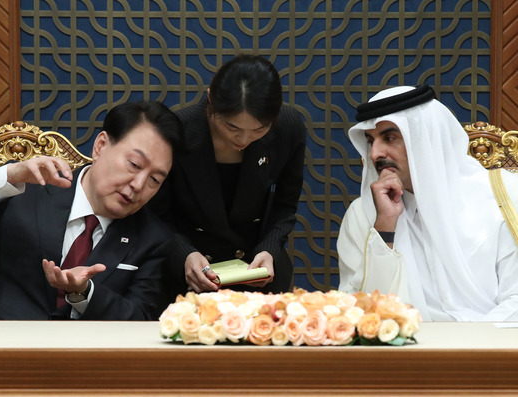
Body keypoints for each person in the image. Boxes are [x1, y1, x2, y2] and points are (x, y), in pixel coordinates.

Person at [0, 100, 184, 320]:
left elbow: (140, 319)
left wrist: (85, 293)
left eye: (154, 179)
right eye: (134, 165)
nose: (138, 185)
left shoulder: (153, 238)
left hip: (85, 355)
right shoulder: (24, 188)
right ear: (101, 146)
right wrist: (9, 176)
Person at [337, 84, 518, 321]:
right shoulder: (362, 214)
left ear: (425, 138)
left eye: (390, 137)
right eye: (371, 141)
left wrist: (463, 351)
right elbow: (358, 311)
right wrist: (384, 229)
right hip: (404, 354)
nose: (375, 154)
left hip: (489, 350)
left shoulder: (503, 195)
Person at [152, 54, 306, 296]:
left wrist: (269, 249)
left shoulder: (289, 126)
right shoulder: (177, 131)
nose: (243, 140)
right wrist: (184, 253)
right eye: (232, 127)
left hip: (256, 270)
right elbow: (155, 213)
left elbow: (285, 206)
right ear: (210, 97)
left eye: (259, 129)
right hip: (188, 273)